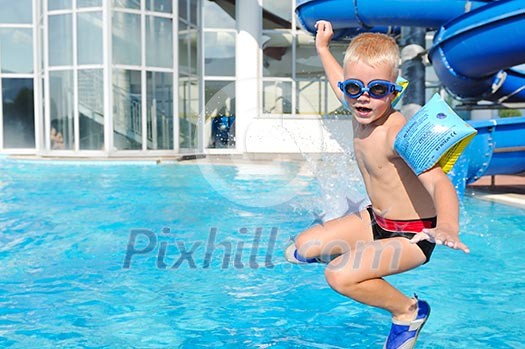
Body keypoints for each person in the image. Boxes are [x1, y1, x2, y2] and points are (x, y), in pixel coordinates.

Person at [286, 21, 470, 348]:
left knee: (338, 275)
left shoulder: (399, 134)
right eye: (354, 88)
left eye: (378, 90)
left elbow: (440, 184)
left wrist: (448, 227)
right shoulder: (359, 108)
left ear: (393, 90)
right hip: (377, 221)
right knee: (301, 247)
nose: (364, 99)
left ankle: (408, 312)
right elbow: (336, 79)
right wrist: (323, 48)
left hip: (413, 235)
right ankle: (359, 254)